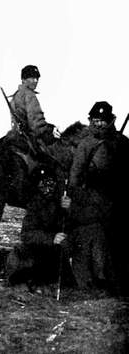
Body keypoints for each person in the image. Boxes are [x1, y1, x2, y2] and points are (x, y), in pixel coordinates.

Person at [67, 102, 121, 293]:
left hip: (117, 199)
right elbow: (75, 177)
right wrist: (78, 197)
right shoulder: (86, 144)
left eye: (102, 121)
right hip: (92, 201)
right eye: (95, 120)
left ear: (110, 121)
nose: (99, 124)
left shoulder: (121, 142)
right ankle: (95, 279)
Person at [5, 165, 72, 291]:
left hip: (56, 252)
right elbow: (27, 235)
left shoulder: (62, 200)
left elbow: (72, 224)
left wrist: (69, 209)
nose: (48, 188)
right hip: (40, 249)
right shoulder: (35, 204)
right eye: (44, 184)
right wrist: (51, 238)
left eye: (51, 183)